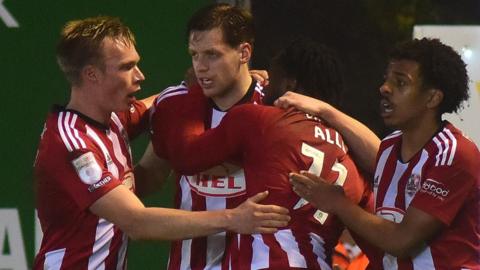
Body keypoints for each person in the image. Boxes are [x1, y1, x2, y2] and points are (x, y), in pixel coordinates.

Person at [33, 16, 290, 270]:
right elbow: (137, 222)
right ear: (92, 75)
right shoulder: (72, 144)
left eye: (212, 54)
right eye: (126, 67)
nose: (140, 76)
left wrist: (234, 78)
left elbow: (163, 104)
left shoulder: (113, 118)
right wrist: (234, 218)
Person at [163, 38, 373, 269]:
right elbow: (382, 245)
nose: (265, 87)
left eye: (273, 78)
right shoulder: (353, 159)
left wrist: (195, 89)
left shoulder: (259, 119)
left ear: (289, 85)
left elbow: (185, 156)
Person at [286, 38, 480, 269]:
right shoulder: (389, 148)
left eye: (400, 82)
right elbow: (388, 250)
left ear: (432, 98)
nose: (384, 88)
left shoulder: (454, 154)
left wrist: (338, 202)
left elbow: (401, 241)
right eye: (386, 80)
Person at [137, 3, 268, 269]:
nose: (201, 67)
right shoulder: (174, 105)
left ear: (244, 52)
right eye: (194, 55)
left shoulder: (274, 107)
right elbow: (151, 175)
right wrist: (97, 195)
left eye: (212, 55)